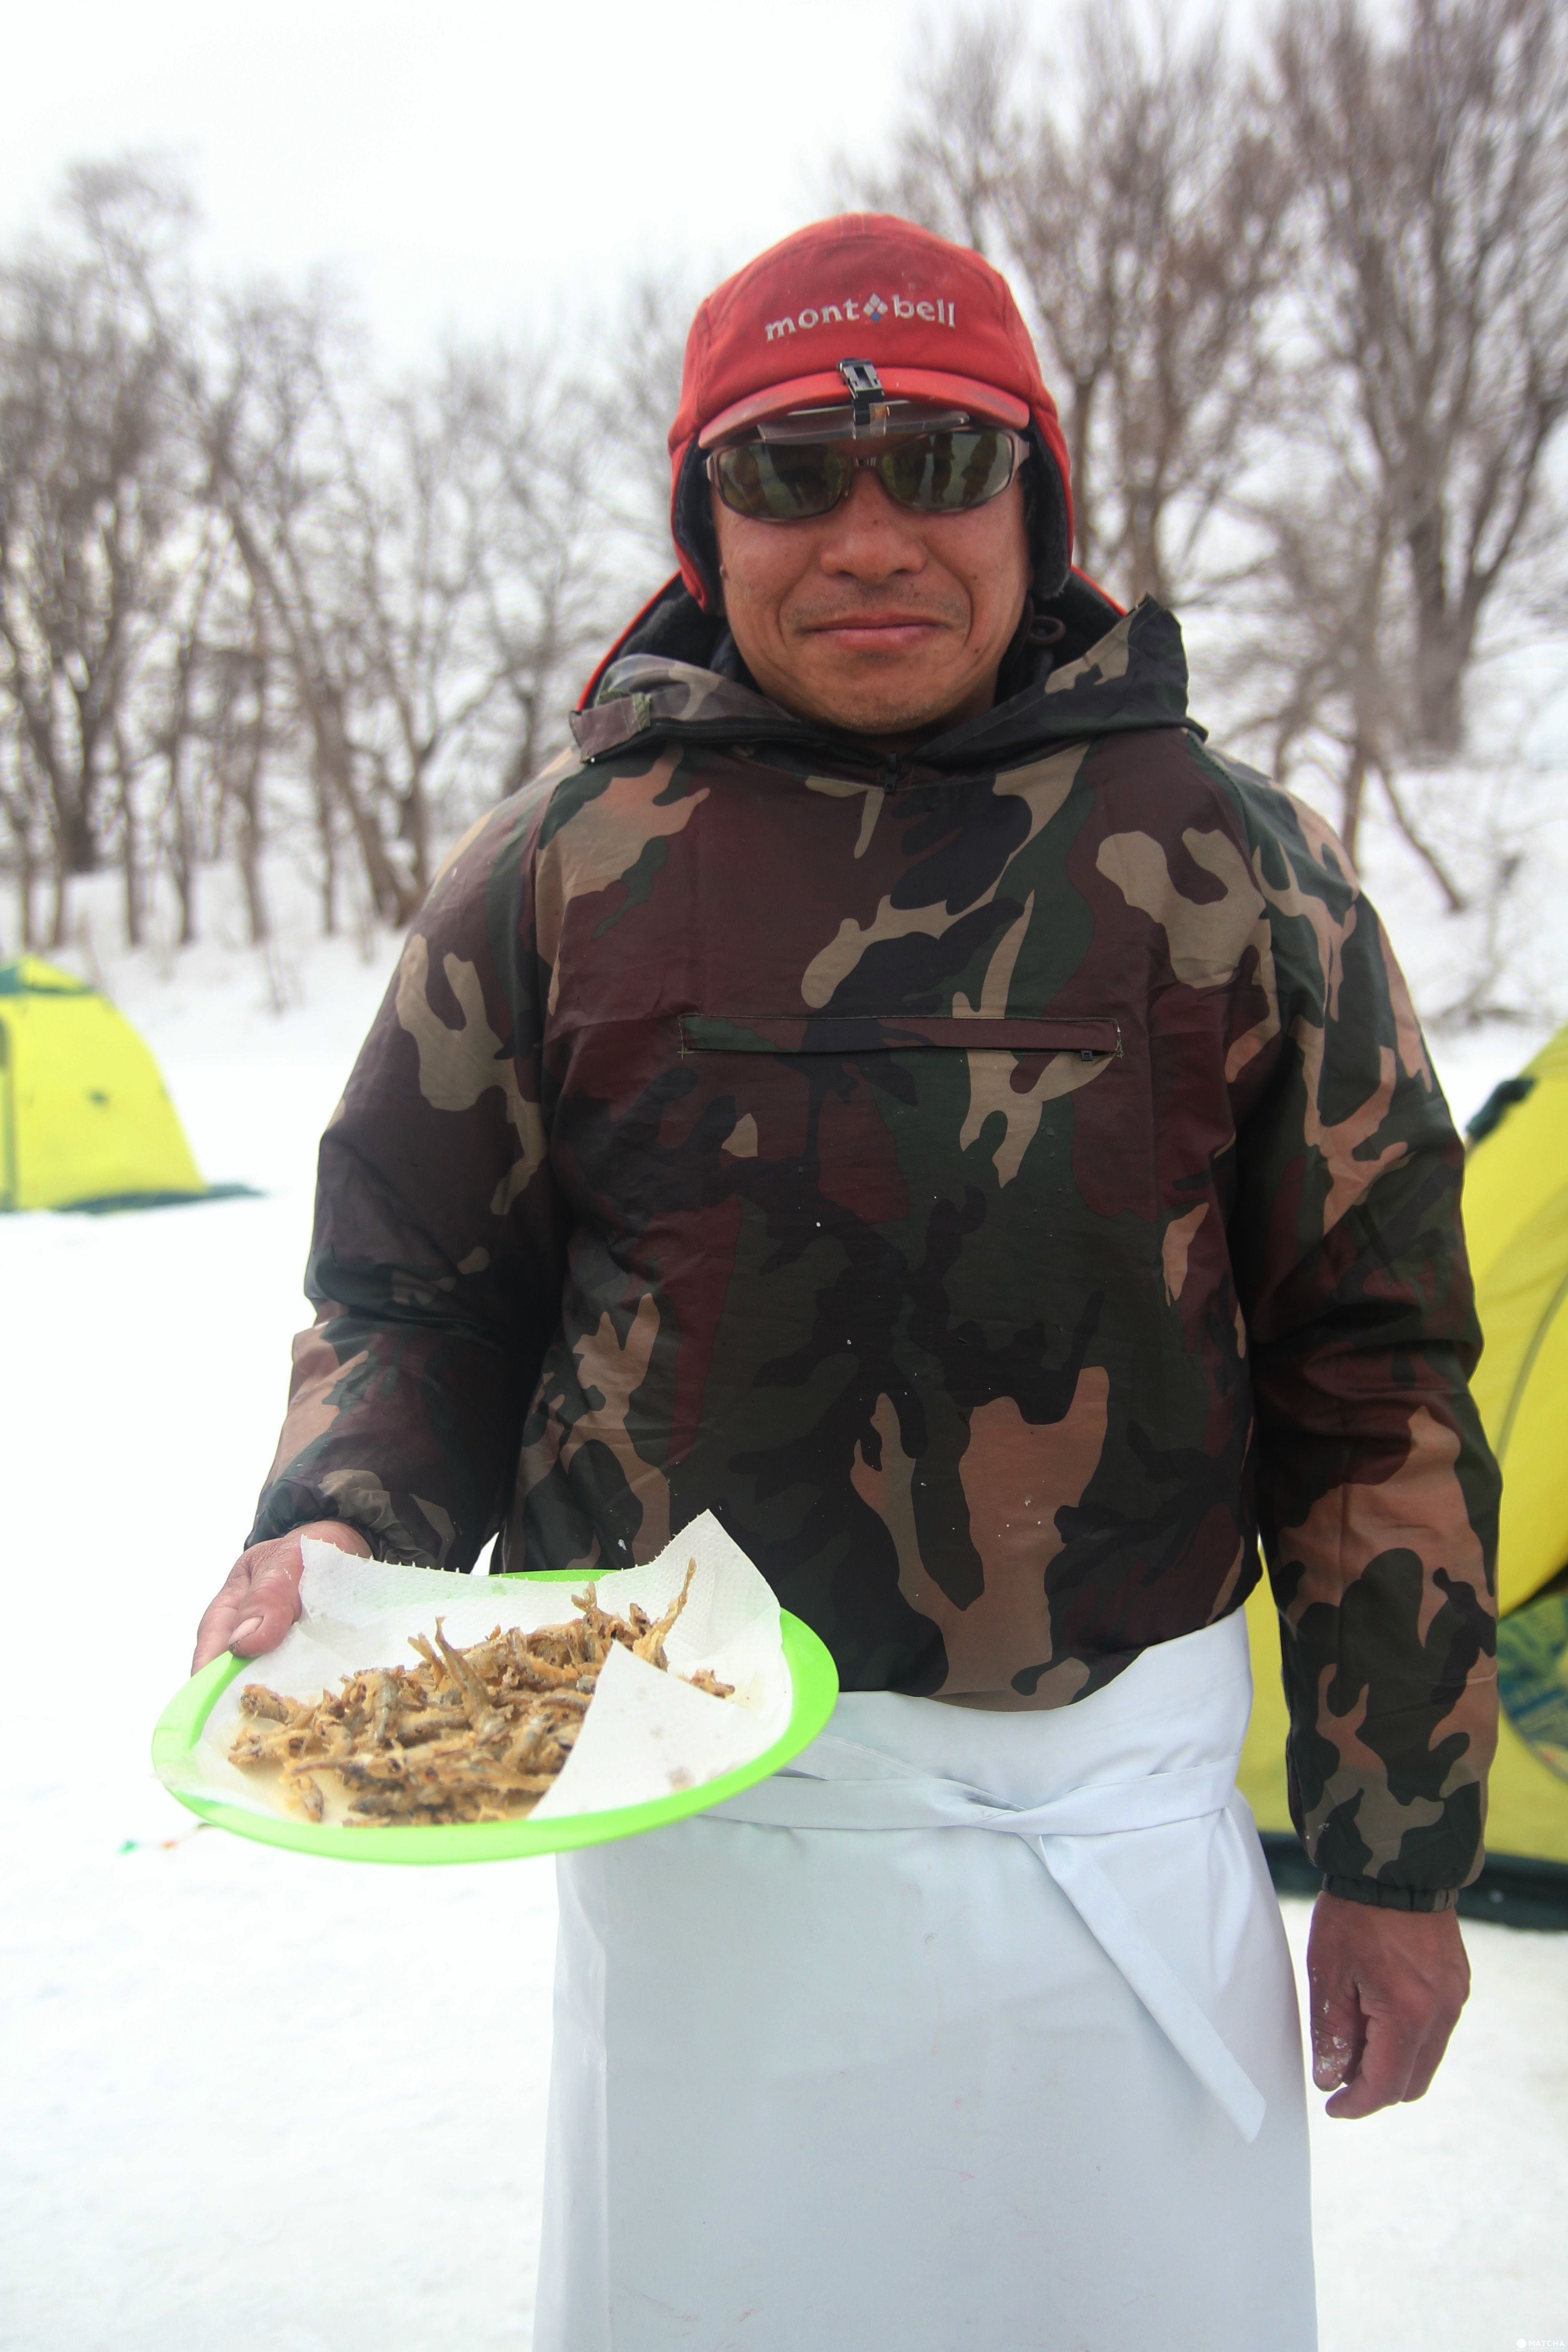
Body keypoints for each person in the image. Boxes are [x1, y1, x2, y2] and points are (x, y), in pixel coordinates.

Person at [193, 215, 1498, 2351]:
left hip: (1118, 1836)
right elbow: (415, 1294)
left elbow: (1381, 1374)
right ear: (708, 521)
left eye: (942, 466)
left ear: (1037, 498)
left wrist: (1400, 1847)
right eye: (793, 474)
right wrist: (340, 1524)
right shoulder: (557, 874)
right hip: (718, 1843)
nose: (869, 534)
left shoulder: (1238, 866)